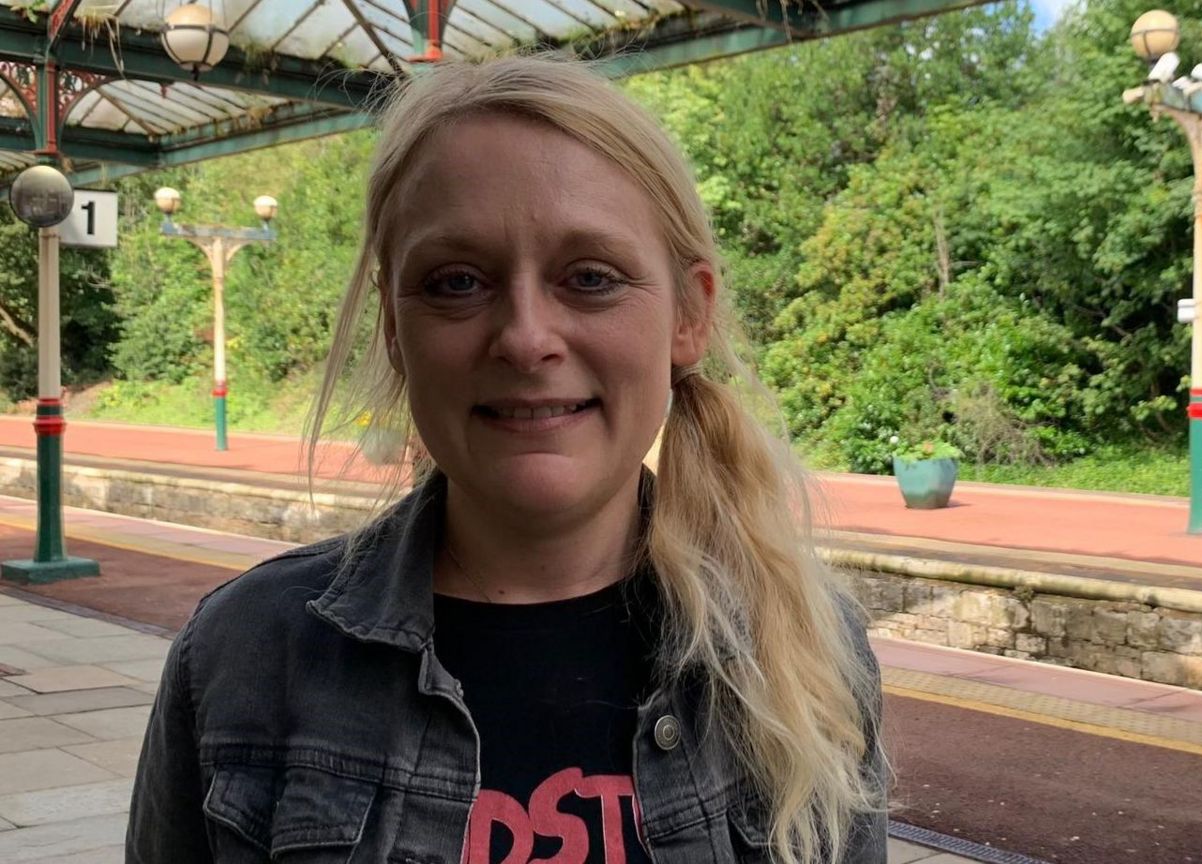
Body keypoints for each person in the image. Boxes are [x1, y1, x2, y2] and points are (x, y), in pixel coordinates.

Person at [126, 54, 889, 864]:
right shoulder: (244, 655)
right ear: (395, 326)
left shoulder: (806, 656)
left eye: (590, 277)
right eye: (458, 282)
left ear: (688, 315)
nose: (526, 338)